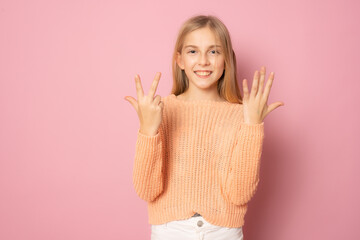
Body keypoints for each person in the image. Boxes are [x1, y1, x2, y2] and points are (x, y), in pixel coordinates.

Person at [124, 14, 284, 240]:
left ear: (227, 59)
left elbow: (240, 194)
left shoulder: (242, 115)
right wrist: (148, 131)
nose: (203, 61)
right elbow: (147, 190)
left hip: (223, 233)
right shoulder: (161, 110)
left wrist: (252, 126)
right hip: (170, 231)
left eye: (214, 51)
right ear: (179, 60)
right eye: (192, 51)